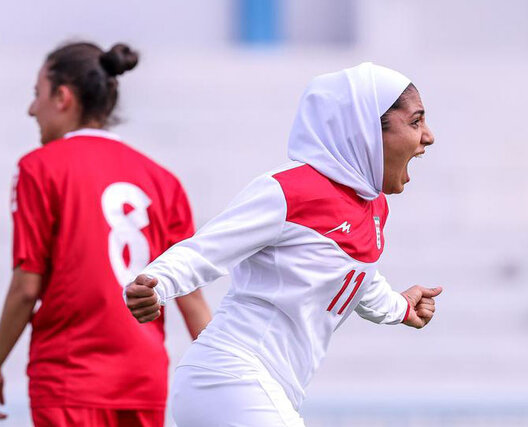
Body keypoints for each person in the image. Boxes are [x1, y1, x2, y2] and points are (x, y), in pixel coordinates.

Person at [125, 62, 440, 426]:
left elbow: (359, 280)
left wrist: (400, 308)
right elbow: (205, 250)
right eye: (415, 122)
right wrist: (156, 284)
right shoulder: (291, 190)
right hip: (228, 379)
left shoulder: (374, 207)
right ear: (366, 130)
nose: (429, 136)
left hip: (264, 389)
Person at [0, 42, 211, 426]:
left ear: (62, 97)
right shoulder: (164, 181)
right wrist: (228, 379)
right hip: (144, 382)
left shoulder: (38, 168)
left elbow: (26, 288)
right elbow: (192, 299)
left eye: (37, 93)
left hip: (70, 379)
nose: (32, 108)